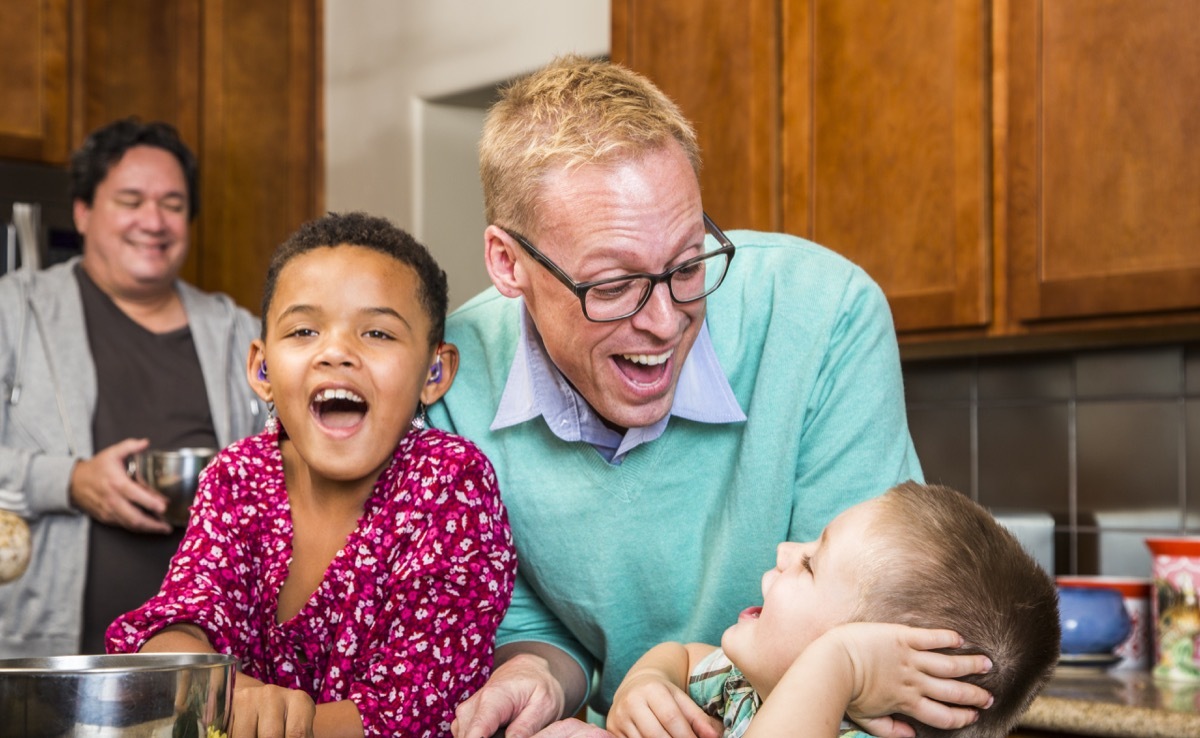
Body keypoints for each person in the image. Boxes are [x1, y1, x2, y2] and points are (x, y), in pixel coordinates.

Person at [434, 55, 992, 738]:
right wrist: (536, 677)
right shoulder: (452, 377)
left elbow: (876, 645)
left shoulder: (824, 315)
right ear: (507, 263)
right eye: (612, 285)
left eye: (690, 263)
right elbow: (536, 627)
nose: (667, 322)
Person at [107, 211, 518, 737]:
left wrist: (263, 722)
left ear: (434, 373)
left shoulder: (450, 484)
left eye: (377, 332)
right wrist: (238, 692)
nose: (336, 353)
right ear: (262, 370)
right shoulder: (236, 477)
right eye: (304, 330)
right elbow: (177, 627)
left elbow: (418, 711)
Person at [0, 117, 266, 656]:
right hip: (48, 657)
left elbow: (283, 462)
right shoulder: (15, 309)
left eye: (172, 204)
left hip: (206, 658)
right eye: (130, 199)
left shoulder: (235, 330)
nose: (154, 220)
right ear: (83, 212)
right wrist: (70, 482)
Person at [608, 482, 1061, 738]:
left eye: (808, 565)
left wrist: (840, 660)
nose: (785, 551)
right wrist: (649, 681)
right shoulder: (746, 687)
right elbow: (684, 656)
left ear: (877, 666)